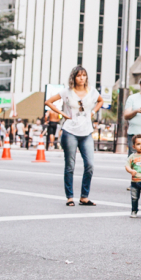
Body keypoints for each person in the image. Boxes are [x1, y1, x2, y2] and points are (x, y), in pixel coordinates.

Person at [45, 66, 103, 207]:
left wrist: (93, 112)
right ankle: (69, 197)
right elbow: (48, 102)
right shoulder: (67, 92)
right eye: (78, 76)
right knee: (70, 165)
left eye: (84, 75)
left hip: (86, 132)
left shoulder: (92, 91)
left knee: (90, 165)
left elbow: (101, 101)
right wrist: (63, 115)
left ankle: (84, 196)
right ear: (74, 77)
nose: (81, 78)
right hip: (70, 131)